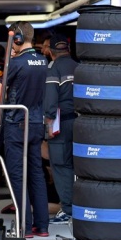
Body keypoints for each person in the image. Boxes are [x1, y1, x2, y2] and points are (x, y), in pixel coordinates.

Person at [0, 21, 49, 238]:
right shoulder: (43, 60)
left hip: (16, 123)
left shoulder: (15, 63)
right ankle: (42, 226)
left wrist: (8, 64)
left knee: (17, 176)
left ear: (16, 38)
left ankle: (24, 226)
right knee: (36, 174)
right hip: (36, 123)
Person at [44, 34, 79, 225]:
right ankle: (81, 207)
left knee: (60, 165)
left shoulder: (53, 69)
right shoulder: (79, 67)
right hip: (82, 123)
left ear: (51, 52)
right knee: (78, 165)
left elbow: (50, 98)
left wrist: (49, 123)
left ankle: (68, 210)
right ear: (69, 49)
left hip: (61, 123)